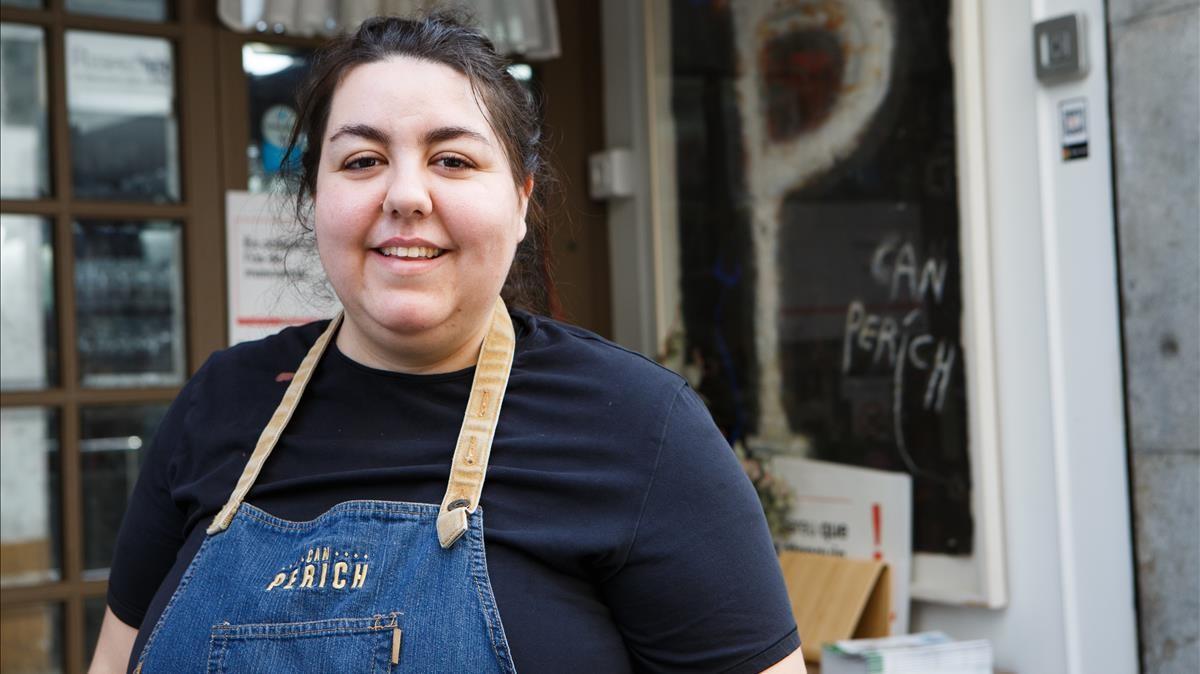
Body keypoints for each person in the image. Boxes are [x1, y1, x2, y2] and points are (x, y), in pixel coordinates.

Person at [90, 12, 804, 673]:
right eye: (362, 160)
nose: (406, 194)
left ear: (522, 200)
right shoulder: (219, 402)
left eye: (453, 161)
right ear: (315, 198)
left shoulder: (643, 427)